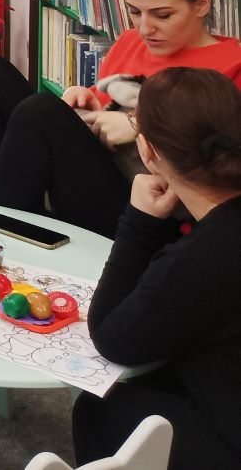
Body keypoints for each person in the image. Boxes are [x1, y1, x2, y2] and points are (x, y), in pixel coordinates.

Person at [0, 0, 241, 237]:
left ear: (201, 4)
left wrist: (139, 126)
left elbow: (220, 169)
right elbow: (105, 103)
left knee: (39, 111)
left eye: (162, 15)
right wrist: (84, 99)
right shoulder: (132, 41)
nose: (145, 28)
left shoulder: (232, 65)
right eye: (135, 12)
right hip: (98, 173)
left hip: (153, 209)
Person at [72, 67, 241, 468]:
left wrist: (140, 221)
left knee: (101, 408)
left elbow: (112, 337)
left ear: (148, 150)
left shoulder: (206, 255)